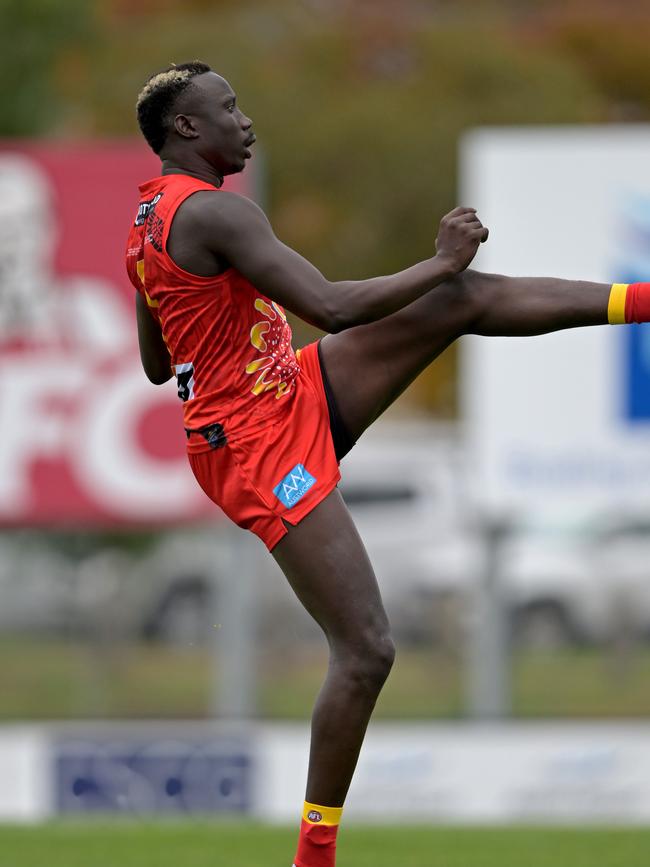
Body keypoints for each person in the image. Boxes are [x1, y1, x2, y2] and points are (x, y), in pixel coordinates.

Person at [126, 62, 650, 867]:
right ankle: (314, 855)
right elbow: (331, 305)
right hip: (256, 444)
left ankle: (641, 300)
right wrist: (439, 259)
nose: (245, 119)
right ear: (186, 130)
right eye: (227, 108)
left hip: (284, 394)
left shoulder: (149, 222)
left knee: (460, 304)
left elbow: (158, 365)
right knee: (367, 647)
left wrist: (213, 333)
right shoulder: (213, 214)